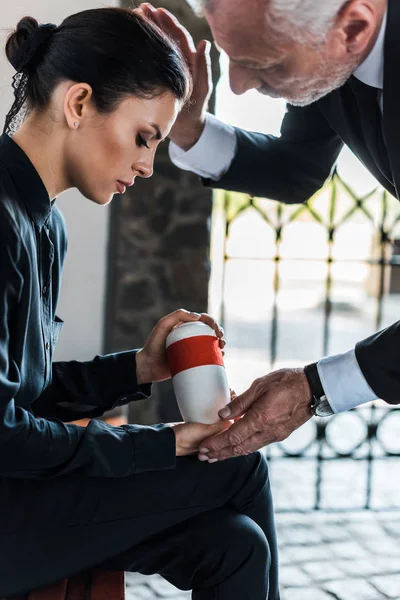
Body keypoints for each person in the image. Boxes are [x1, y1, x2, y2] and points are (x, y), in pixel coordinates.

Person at [0, 8, 279, 599]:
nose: (149, 165)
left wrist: (139, 369)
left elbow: (25, 392)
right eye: (144, 136)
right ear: (78, 103)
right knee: (239, 463)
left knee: (235, 544)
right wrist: (165, 441)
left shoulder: (42, 222)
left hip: (18, 495)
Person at [139, 0, 400, 461]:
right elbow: (295, 168)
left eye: (265, 63)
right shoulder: (330, 48)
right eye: (231, 57)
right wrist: (189, 129)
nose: (237, 86)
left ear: (355, 29)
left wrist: (315, 387)